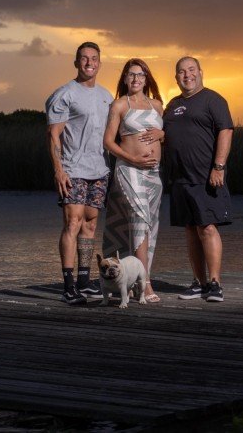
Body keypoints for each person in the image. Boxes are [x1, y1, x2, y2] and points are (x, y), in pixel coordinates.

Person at [46, 42, 114, 305]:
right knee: (72, 223)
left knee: (90, 224)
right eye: (84, 58)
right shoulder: (65, 94)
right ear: (76, 62)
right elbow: (53, 135)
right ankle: (68, 285)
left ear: (99, 63)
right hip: (72, 169)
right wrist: (59, 170)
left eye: (94, 58)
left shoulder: (106, 96)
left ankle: (85, 281)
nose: (89, 62)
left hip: (99, 170)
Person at [162, 56, 234, 302]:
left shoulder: (213, 100)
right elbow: (166, 133)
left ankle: (215, 284)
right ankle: (198, 282)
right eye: (181, 71)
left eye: (191, 70)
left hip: (205, 176)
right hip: (180, 178)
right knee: (191, 230)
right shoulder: (172, 104)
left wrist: (219, 166)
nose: (187, 75)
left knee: (207, 227)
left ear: (200, 72)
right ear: (176, 77)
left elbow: (225, 130)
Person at [102, 58, 164, 303]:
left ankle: (130, 277)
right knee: (139, 220)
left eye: (140, 75)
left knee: (149, 225)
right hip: (129, 169)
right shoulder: (119, 105)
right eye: (131, 75)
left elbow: (165, 137)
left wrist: (163, 134)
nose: (136, 79)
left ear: (146, 78)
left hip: (154, 175)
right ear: (125, 79)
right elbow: (108, 141)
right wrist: (134, 160)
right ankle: (145, 285)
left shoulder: (157, 105)